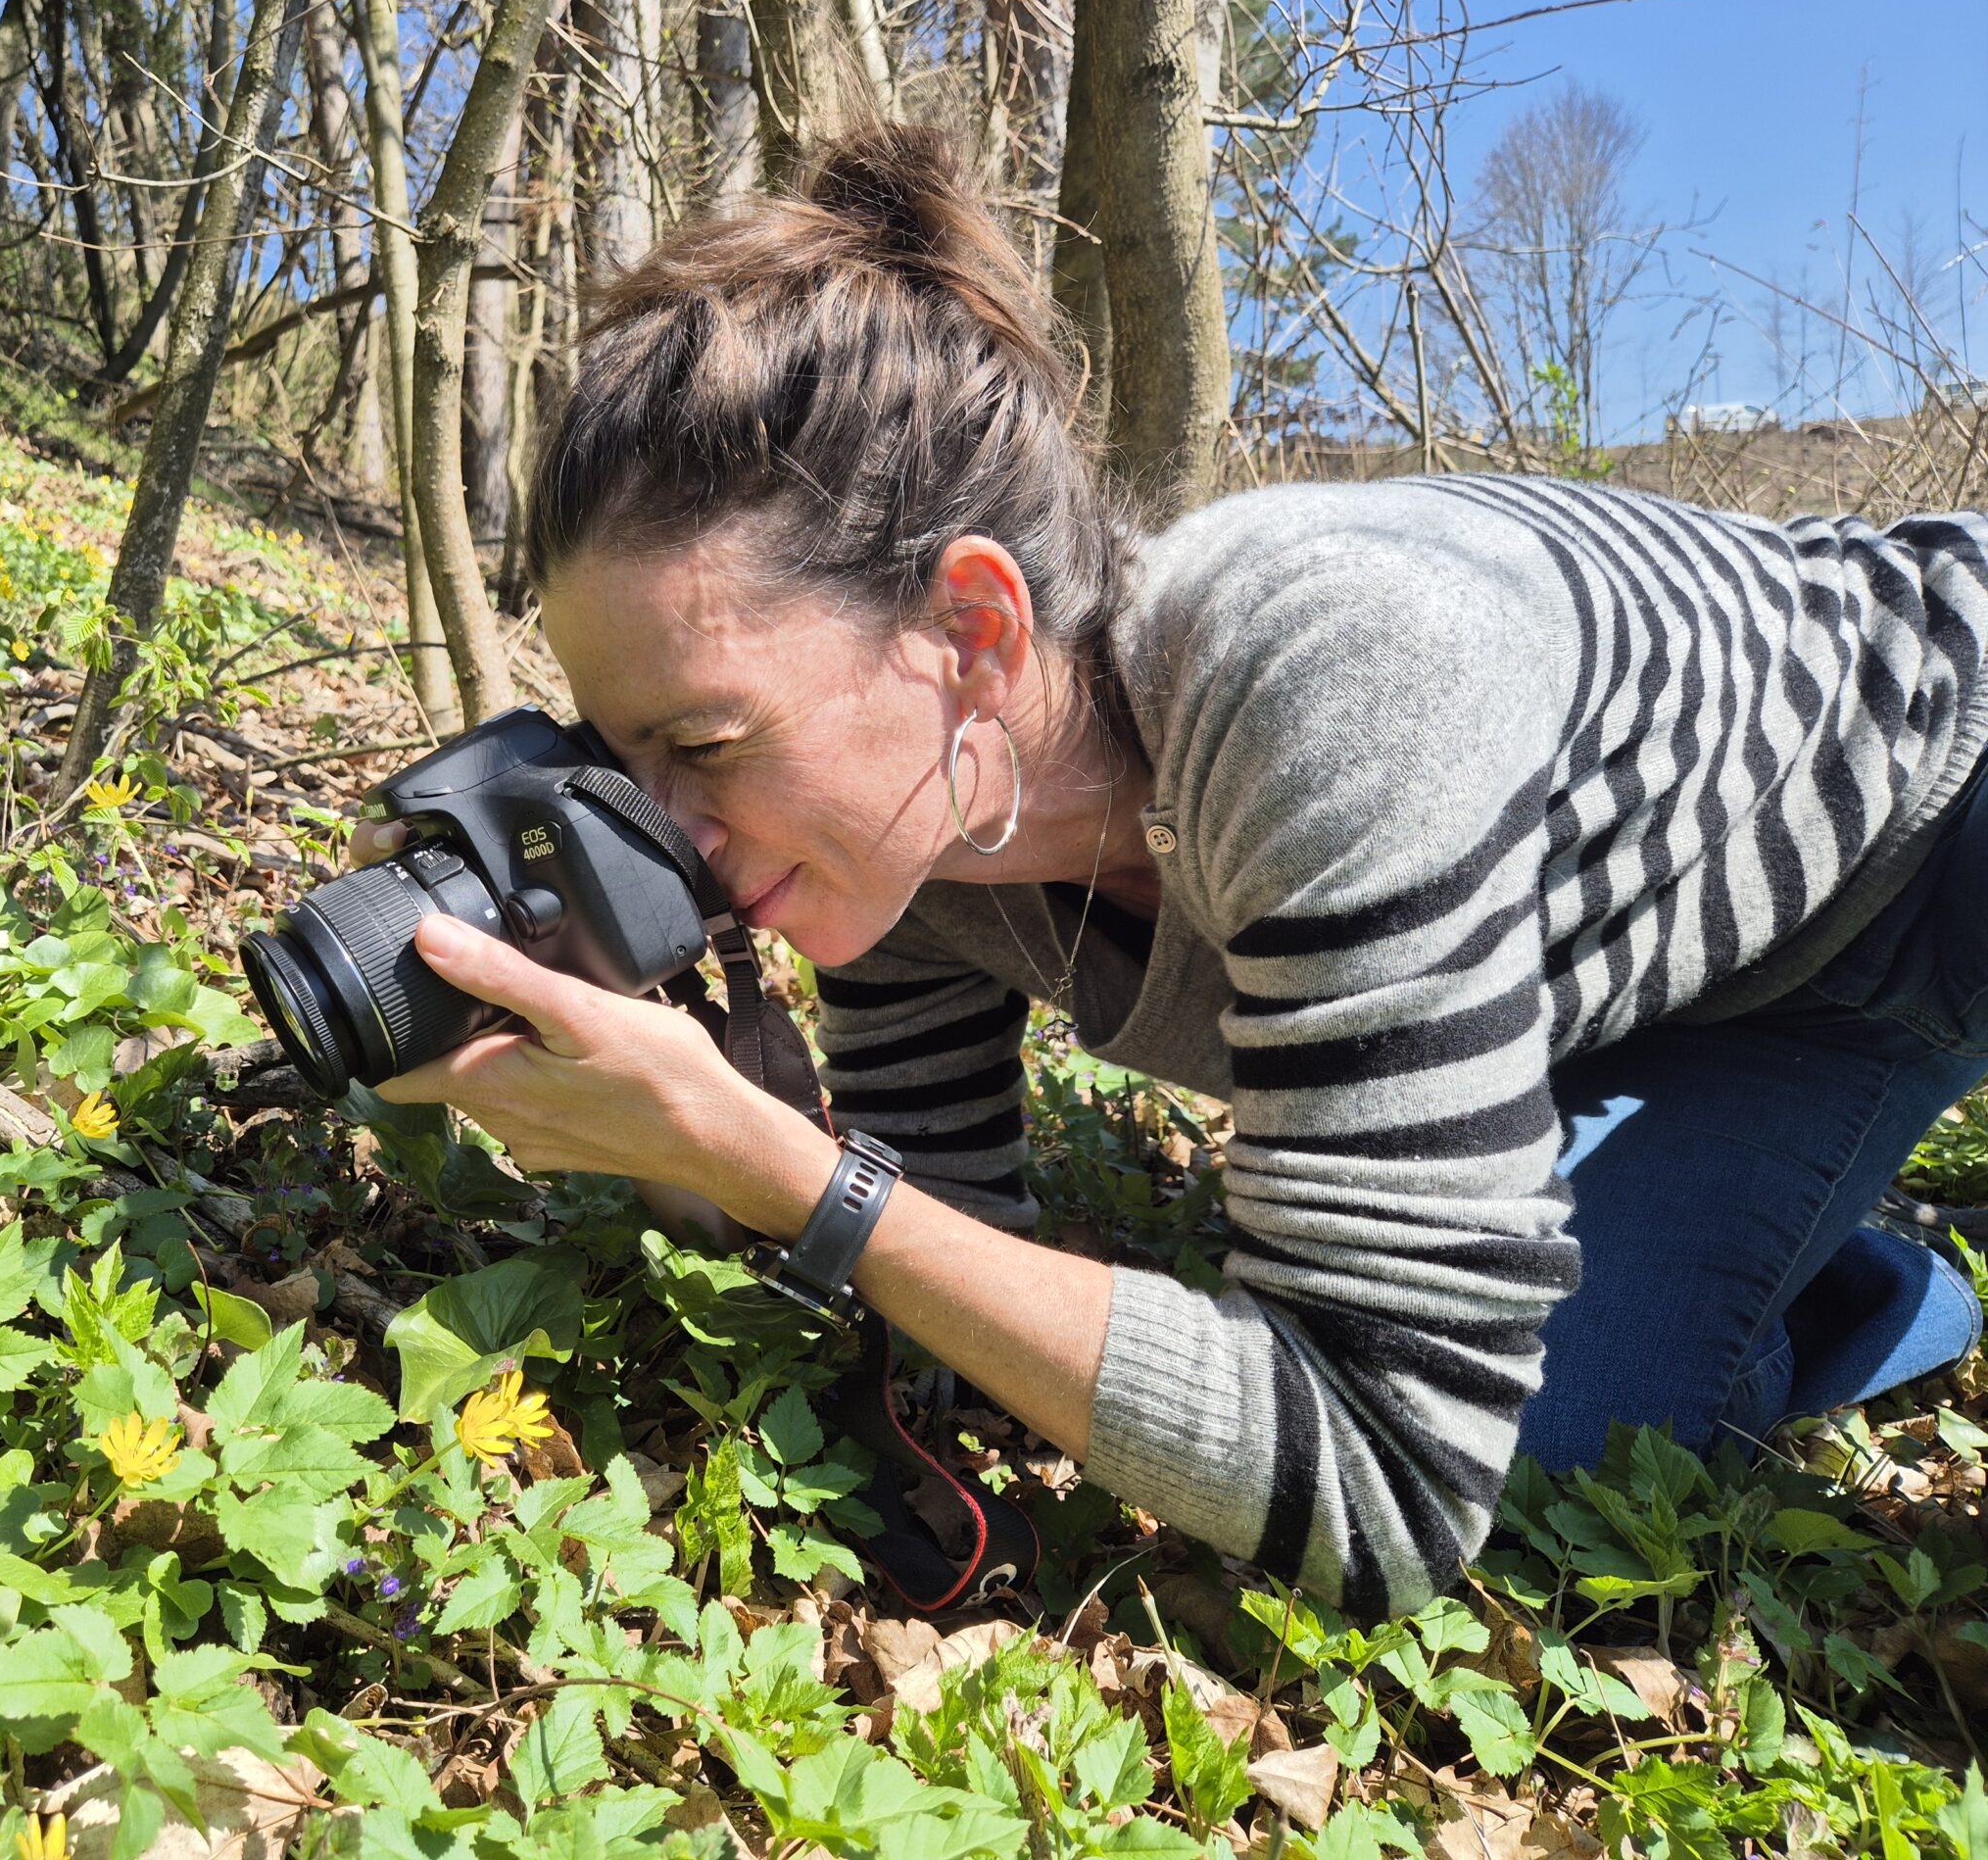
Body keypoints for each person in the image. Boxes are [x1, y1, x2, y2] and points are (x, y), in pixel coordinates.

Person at [361, 125, 1988, 1619]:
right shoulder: (900, 845)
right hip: (1669, 983)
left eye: (702, 743)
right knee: (1555, 1463)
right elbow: (937, 1269)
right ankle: (1847, 1282)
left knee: (1470, 1471)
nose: (669, 833)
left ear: (972, 634)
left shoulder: (1331, 678)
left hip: (1940, 816)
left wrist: (796, 1174)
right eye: (618, 758)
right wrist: (678, 1124)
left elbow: (1383, 1484)